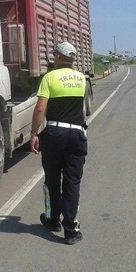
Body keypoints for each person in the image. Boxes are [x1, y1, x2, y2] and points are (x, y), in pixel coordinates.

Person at [30, 41, 87, 245]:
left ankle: (53, 220)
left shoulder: (49, 77)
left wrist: (34, 133)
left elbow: (39, 109)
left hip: (54, 134)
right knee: (72, 181)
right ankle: (71, 229)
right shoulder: (82, 79)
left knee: (52, 179)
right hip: (77, 134)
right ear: (72, 59)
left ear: (57, 57)